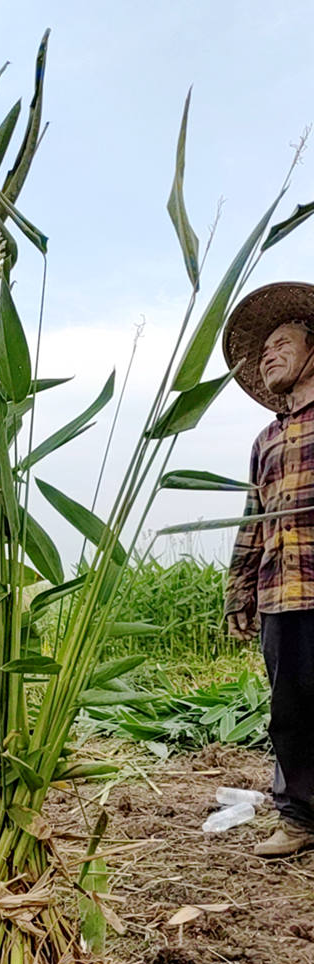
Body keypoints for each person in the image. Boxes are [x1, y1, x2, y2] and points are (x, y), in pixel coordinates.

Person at [223, 282, 314, 857]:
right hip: (283, 593)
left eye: (282, 343)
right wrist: (238, 591)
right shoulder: (266, 440)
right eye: (263, 353)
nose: (269, 354)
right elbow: (253, 521)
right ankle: (301, 820)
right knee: (292, 712)